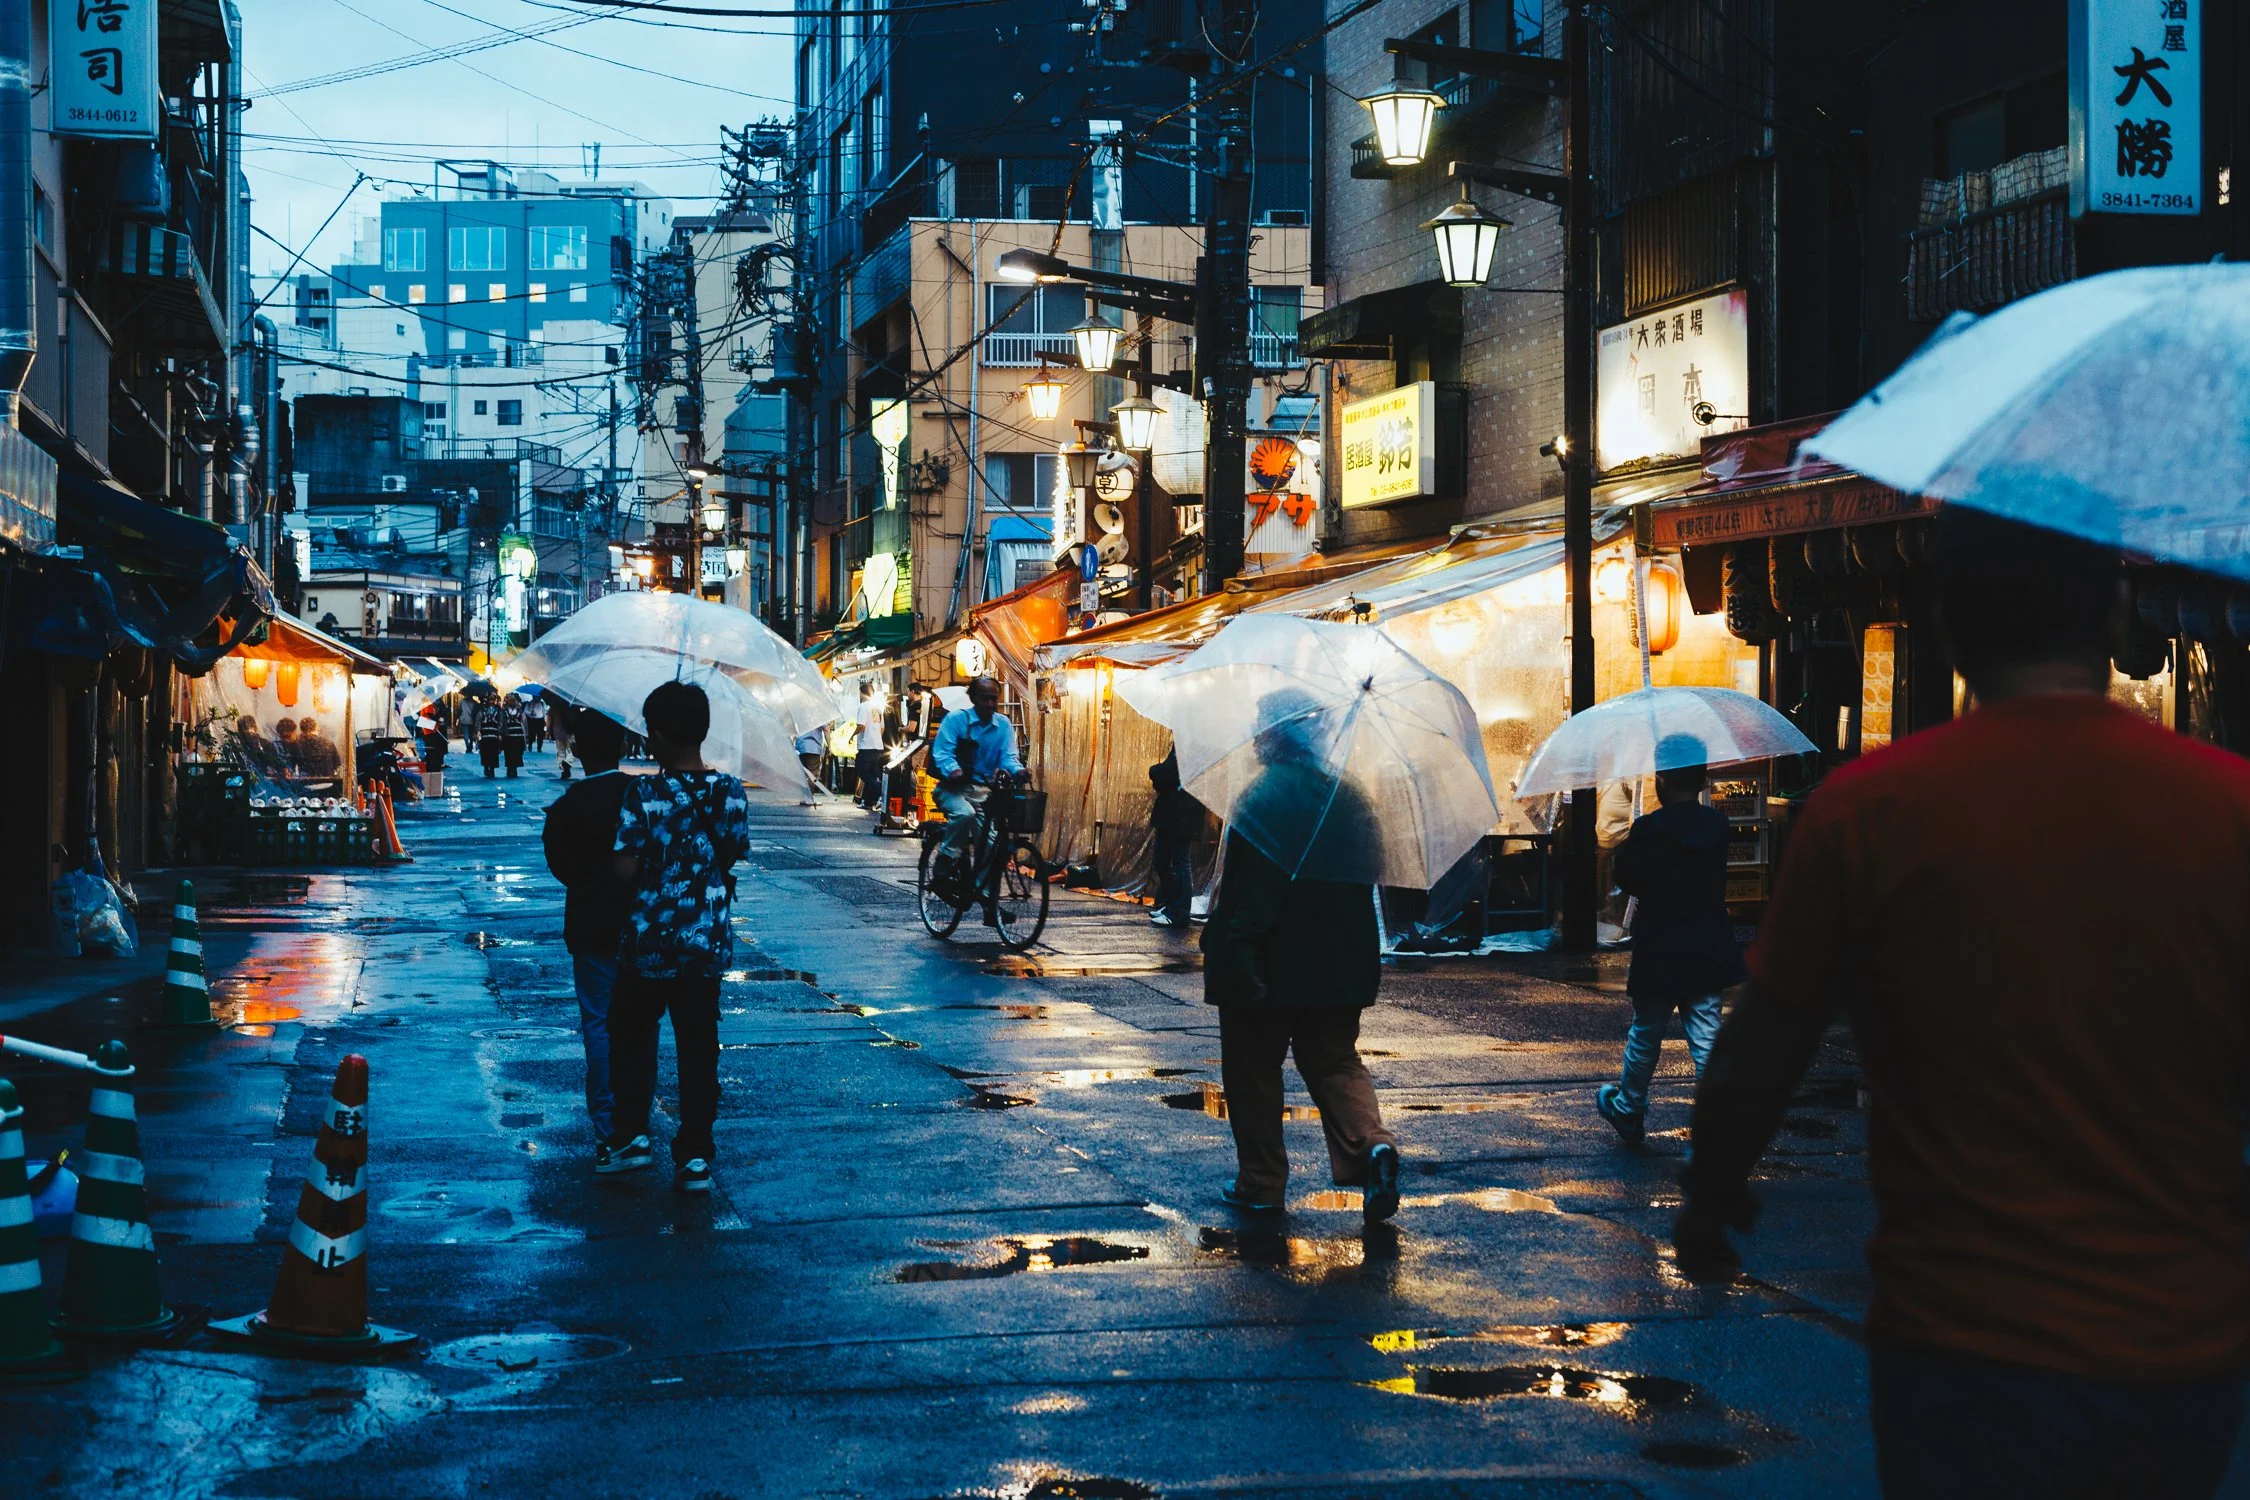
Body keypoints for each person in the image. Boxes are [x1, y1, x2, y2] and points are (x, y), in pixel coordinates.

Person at [1676, 509, 2250, 1498]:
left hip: (1960, 1334)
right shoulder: (2227, 807)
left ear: (1949, 624)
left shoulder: (1869, 813)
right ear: (2115, 619)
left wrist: (1711, 1193)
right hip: (2179, 1340)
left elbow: (1767, 1038)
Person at [1198, 690, 1399, 1225]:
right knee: (1334, 1060)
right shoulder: (1350, 796)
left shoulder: (1263, 799)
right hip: (1340, 966)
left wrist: (1235, 954)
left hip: (1270, 966)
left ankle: (1261, 1182)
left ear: (1278, 735)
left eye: (1262, 726)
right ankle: (1371, 1145)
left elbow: (1251, 899)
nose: (1256, 735)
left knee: (1253, 1069)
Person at [605, 680, 751, 1193]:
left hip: (648, 945)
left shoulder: (642, 793)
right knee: (698, 1047)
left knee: (630, 1039)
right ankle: (694, 1155)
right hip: (705, 944)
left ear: (661, 734)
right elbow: (732, 852)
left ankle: (629, 1138)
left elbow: (623, 869)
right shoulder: (730, 792)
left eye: (650, 729)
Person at [1593, 741, 1742, 1147]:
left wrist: (1641, 838)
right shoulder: (1716, 827)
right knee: (1707, 1034)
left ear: (1659, 779)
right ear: (1703, 779)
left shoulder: (1648, 829)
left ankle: (1628, 1108)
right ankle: (1721, 1115)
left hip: (1660, 950)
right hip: (1707, 948)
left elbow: (1631, 878)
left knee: (1646, 1033)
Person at [541, 709, 634, 1168]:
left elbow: (558, 864)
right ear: (622, 748)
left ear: (577, 750)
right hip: (639, 927)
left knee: (597, 1023)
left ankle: (608, 1125)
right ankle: (635, 1122)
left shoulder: (569, 804)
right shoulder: (640, 795)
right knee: (638, 1027)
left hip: (590, 925)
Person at [929, 675, 1023, 875]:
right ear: (973, 698)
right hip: (952, 790)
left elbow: (1008, 757)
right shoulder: (956, 720)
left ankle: (985, 894)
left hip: (983, 793)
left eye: (993, 699)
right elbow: (942, 752)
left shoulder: (1003, 725)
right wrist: (953, 770)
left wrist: (1019, 771)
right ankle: (946, 856)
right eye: (984, 698)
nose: (990, 704)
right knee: (965, 813)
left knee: (992, 843)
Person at [1147, 746, 1202, 928]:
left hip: (1181, 813)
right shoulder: (1183, 741)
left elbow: (1169, 772)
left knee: (1179, 863)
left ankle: (1179, 911)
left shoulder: (1189, 742)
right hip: (1174, 812)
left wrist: (1154, 770)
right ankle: (1172, 905)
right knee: (1163, 861)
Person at [853, 681, 888, 813]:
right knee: (873, 774)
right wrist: (875, 737)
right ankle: (868, 802)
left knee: (862, 770)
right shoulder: (878, 708)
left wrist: (852, 736)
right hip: (877, 747)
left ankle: (880, 791)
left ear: (862, 693)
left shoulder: (863, 706)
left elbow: (861, 726)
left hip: (866, 746)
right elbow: (882, 728)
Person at [794, 722, 828, 805]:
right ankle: (809, 799)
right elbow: (826, 729)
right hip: (813, 748)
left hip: (801, 747)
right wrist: (829, 745)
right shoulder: (818, 714)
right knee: (812, 774)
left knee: (804, 774)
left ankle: (805, 798)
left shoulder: (800, 714)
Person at [499, 693, 528, 777]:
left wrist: (526, 735)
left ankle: (514, 768)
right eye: (510, 701)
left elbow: (524, 722)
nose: (512, 703)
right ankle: (509, 768)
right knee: (508, 753)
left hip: (518, 735)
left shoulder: (520, 711)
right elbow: (501, 722)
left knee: (517, 753)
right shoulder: (504, 711)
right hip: (508, 736)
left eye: (513, 701)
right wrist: (500, 733)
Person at [476, 695, 504, 777]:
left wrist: (500, 733)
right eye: (490, 700)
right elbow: (478, 720)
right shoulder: (482, 710)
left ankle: (492, 769)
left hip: (494, 734)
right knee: (484, 752)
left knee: (493, 752)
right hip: (485, 734)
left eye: (493, 700)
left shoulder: (498, 710)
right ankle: (486, 766)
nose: (491, 701)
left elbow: (500, 722)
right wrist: (478, 731)